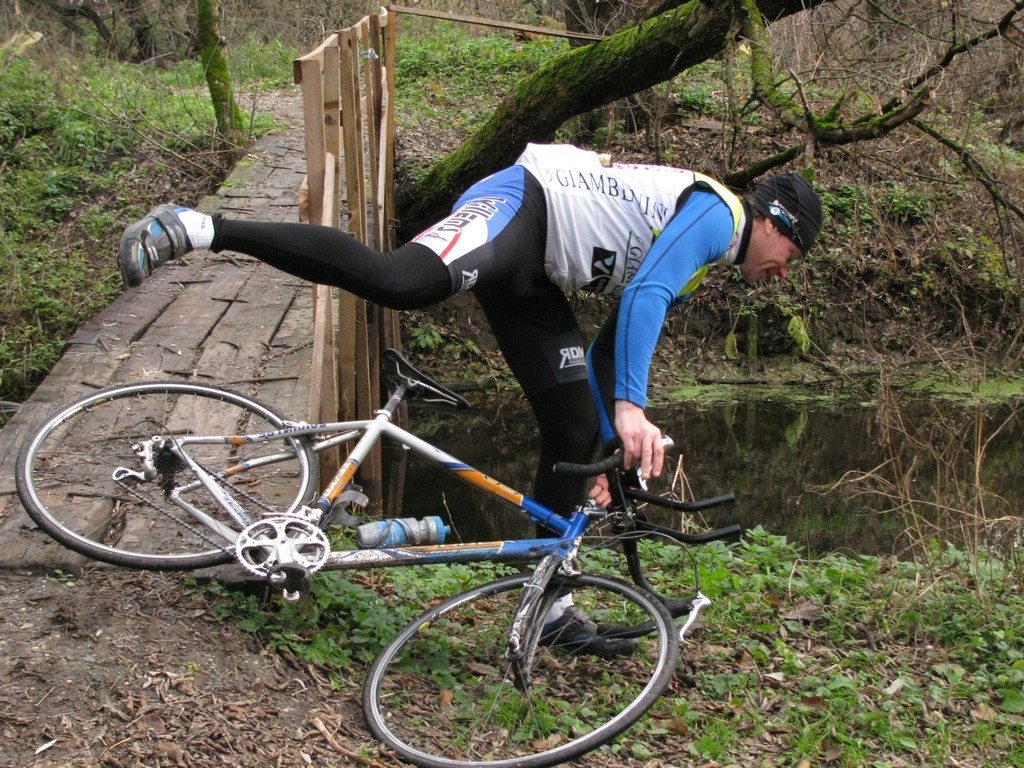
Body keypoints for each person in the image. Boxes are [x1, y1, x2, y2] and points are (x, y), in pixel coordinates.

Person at [119, 143, 823, 653]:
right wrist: (633, 409)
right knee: (402, 281)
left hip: (535, 276)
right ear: (775, 223)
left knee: (575, 429)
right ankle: (200, 227)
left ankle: (549, 607)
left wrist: (614, 438)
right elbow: (645, 295)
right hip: (520, 206)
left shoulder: (706, 255)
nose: (782, 274)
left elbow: (609, 351)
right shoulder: (721, 214)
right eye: (790, 258)